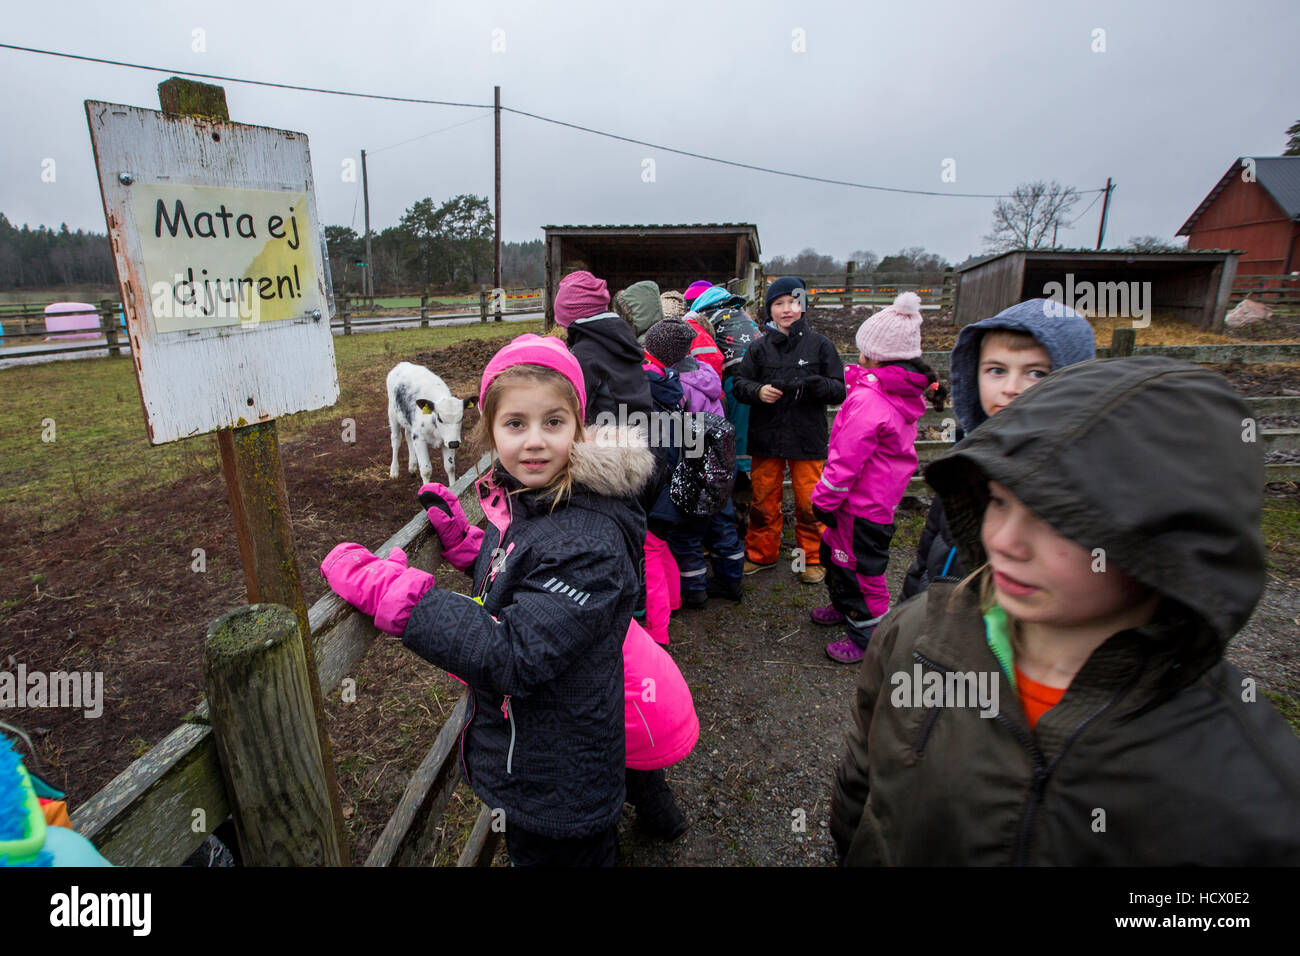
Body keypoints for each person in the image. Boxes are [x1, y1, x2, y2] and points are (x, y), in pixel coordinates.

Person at [829, 356, 1300, 865]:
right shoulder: (917, 633)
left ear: (1171, 542)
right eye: (1001, 501)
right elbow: (863, 779)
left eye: (1058, 520)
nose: (1005, 542)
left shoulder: (1250, 797)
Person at [321, 334, 654, 866]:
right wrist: (470, 546)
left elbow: (515, 652)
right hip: (543, 763)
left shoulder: (590, 539)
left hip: (558, 784)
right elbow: (535, 566)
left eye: (554, 422)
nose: (535, 442)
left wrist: (402, 595)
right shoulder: (538, 500)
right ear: (491, 431)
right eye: (515, 424)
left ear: (580, 426)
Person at [900, 298, 1095, 599]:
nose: (1011, 388)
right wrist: (908, 610)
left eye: (1037, 373)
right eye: (996, 370)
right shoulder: (964, 463)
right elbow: (929, 550)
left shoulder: (1083, 486)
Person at [809, 293, 947, 663]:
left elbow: (845, 461)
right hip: (871, 501)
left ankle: (868, 633)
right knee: (839, 557)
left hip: (859, 505)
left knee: (862, 572)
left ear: (875, 355)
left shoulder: (870, 401)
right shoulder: (892, 392)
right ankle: (845, 607)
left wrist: (823, 499)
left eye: (862, 350)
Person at [732, 276, 845, 584]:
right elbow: (740, 385)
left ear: (802, 306)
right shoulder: (758, 348)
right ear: (770, 309)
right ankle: (761, 554)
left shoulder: (821, 346)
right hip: (766, 438)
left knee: (810, 502)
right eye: (778, 304)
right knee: (763, 500)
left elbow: (839, 390)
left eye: (793, 302)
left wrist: (819, 385)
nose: (786, 309)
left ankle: (810, 557)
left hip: (807, 438)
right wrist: (758, 392)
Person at [554, 270, 654, 426]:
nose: (561, 328)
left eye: (562, 323)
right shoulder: (622, 341)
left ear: (572, 320)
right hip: (644, 435)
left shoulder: (583, 356)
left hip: (609, 442)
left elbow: (573, 414)